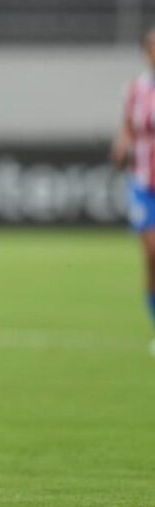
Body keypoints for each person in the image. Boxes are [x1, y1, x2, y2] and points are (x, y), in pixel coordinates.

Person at [112, 26, 155, 356]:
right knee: (152, 256)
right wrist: (122, 144)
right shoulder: (137, 89)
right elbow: (129, 125)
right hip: (143, 183)